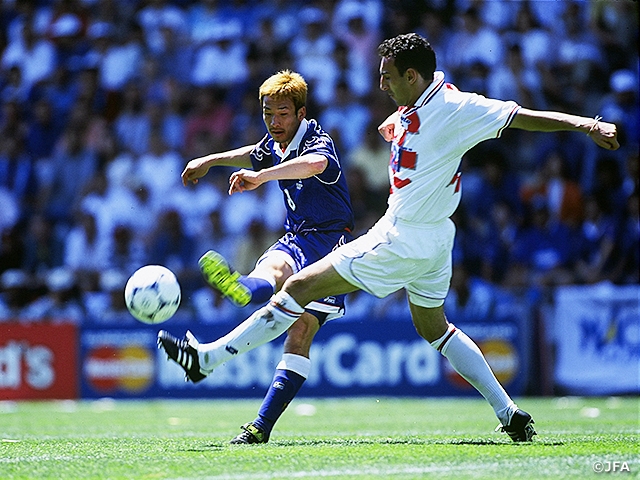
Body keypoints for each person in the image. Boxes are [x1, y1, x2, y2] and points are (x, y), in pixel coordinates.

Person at [159, 33, 619, 443]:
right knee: (432, 329)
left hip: (401, 236)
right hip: (437, 240)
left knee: (297, 289)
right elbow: (409, 131)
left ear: (413, 76)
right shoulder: (414, 104)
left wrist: (587, 125)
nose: (382, 84)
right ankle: (509, 411)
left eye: (388, 77)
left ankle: (209, 359)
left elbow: (524, 117)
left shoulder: (457, 108)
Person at [161, 70, 354, 444]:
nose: (274, 122)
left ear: (301, 113)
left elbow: (314, 166)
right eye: (268, 113)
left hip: (331, 244)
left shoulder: (318, 140)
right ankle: (243, 289)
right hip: (298, 237)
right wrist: (209, 160)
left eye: (282, 113)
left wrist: (261, 177)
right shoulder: (276, 142)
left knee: (299, 331)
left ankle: (245, 299)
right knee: (284, 296)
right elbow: (252, 152)